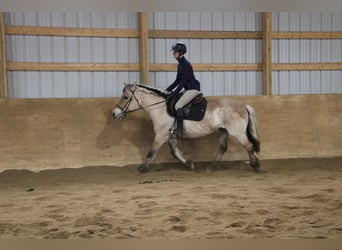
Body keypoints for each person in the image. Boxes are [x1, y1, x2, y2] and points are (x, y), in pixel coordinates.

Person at [166, 41, 201, 138]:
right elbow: (177, 80)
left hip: (193, 89)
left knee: (178, 105)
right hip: (188, 88)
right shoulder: (180, 64)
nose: (173, 54)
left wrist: (174, 93)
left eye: (175, 52)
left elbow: (182, 82)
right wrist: (167, 90)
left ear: (180, 52)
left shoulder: (185, 64)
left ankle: (179, 129)